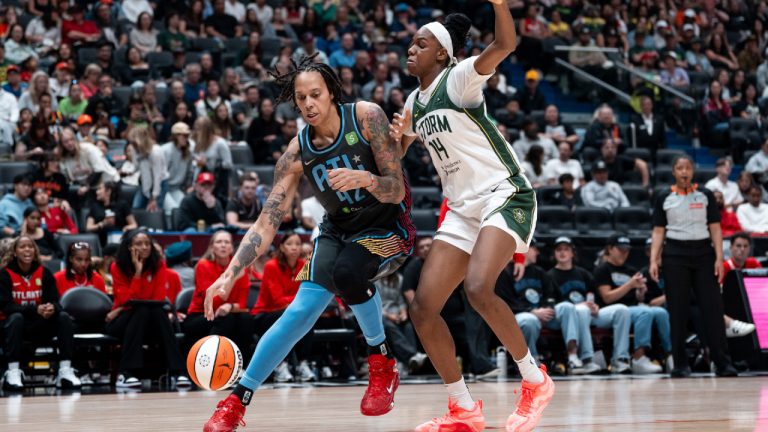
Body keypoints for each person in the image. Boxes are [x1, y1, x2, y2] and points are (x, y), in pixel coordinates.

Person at [202, 56, 413, 430]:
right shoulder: (297, 152)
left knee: (348, 271)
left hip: (387, 229)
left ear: (331, 92)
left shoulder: (367, 117)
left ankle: (382, 362)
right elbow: (267, 219)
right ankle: (237, 401)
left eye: (315, 94)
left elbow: (396, 190)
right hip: (338, 230)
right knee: (299, 313)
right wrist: (230, 273)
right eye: (301, 98)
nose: (309, 104)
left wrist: (365, 179)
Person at [389, 8, 554, 431]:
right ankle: (463, 407)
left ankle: (535, 381)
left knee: (479, 287)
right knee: (424, 308)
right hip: (462, 207)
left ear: (443, 55)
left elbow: (505, 46)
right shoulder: (412, 102)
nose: (411, 48)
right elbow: (398, 153)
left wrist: (500, 7)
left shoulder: (459, 78)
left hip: (504, 193)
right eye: (412, 42)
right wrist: (392, 139)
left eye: (422, 44)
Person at [649, 155, 738, 378]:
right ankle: (680, 364)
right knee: (677, 311)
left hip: (703, 254)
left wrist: (719, 257)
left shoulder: (705, 195)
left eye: (688, 167)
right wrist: (653, 259)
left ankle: (722, 362)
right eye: (680, 168)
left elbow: (715, 228)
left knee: (713, 309)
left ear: (693, 171)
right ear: (674, 172)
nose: (684, 172)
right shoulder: (664, 196)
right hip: (674, 254)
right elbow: (659, 231)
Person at [106, 229, 191, 389]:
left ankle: (177, 372)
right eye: (139, 244)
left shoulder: (159, 265)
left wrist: (129, 304)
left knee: (154, 311)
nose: (144, 247)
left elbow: (157, 298)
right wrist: (138, 273)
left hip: (148, 318)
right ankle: (126, 373)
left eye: (147, 243)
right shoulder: (117, 267)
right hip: (121, 323)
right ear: (129, 247)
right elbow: (125, 299)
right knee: (144, 310)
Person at [0, 236, 81, 391]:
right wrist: (35, 309)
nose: (27, 249)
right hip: (14, 328)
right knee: (16, 317)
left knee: (63, 317)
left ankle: (64, 371)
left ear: (35, 251)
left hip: (39, 324)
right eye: (22, 247)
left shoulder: (44, 273)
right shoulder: (5, 274)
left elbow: (56, 301)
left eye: (30, 246)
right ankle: (13, 371)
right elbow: (6, 307)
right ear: (15, 252)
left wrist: (52, 308)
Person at [498, 242, 591, 375]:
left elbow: (551, 294)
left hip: (543, 314)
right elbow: (506, 302)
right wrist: (533, 311)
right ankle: (531, 362)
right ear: (524, 249)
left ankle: (573, 357)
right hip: (521, 314)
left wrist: (546, 309)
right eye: (535, 249)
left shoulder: (540, 272)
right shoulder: (506, 272)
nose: (538, 253)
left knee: (567, 307)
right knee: (529, 320)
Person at [594, 234, 669, 374]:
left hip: (630, 309)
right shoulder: (602, 269)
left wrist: (640, 292)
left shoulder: (631, 270)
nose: (624, 252)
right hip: (608, 311)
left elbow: (639, 300)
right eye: (620, 249)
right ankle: (638, 357)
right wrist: (630, 285)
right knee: (644, 312)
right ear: (609, 249)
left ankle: (670, 355)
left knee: (659, 312)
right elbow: (607, 298)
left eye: (627, 249)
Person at [250, 232, 315, 382]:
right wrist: (300, 301)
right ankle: (280, 365)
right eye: (290, 244)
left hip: (290, 312)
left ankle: (302, 364)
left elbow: (305, 296)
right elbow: (278, 300)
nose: (294, 247)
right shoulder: (271, 266)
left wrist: (299, 302)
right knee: (291, 316)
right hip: (264, 314)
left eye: (298, 244)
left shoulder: (303, 265)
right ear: (281, 247)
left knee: (307, 317)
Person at [184, 231, 252, 356]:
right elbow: (213, 303)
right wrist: (234, 278)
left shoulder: (239, 266)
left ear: (232, 247)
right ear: (211, 247)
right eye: (219, 242)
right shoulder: (203, 265)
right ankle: (211, 363)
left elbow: (242, 304)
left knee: (245, 318)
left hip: (227, 314)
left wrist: (230, 306)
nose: (223, 245)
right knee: (226, 319)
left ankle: (243, 366)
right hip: (200, 315)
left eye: (227, 242)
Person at [722, 232, 759, 338]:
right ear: (731, 248)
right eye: (738, 245)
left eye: (745, 246)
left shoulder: (754, 264)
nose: (742, 249)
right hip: (730, 308)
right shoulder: (724, 267)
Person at [86, 181, 139, 246]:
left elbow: (134, 225)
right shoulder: (95, 207)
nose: (97, 192)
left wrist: (126, 228)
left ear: (108, 191)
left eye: (99, 189)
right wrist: (102, 224)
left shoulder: (122, 205)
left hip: (119, 239)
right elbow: (88, 227)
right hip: (100, 241)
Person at [161, 122, 196, 211]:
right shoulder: (165, 150)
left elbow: (190, 171)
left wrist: (189, 186)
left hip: (177, 188)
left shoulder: (188, 151)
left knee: (186, 208)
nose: (185, 138)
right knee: (173, 209)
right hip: (164, 189)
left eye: (187, 136)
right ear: (175, 136)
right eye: (183, 135)